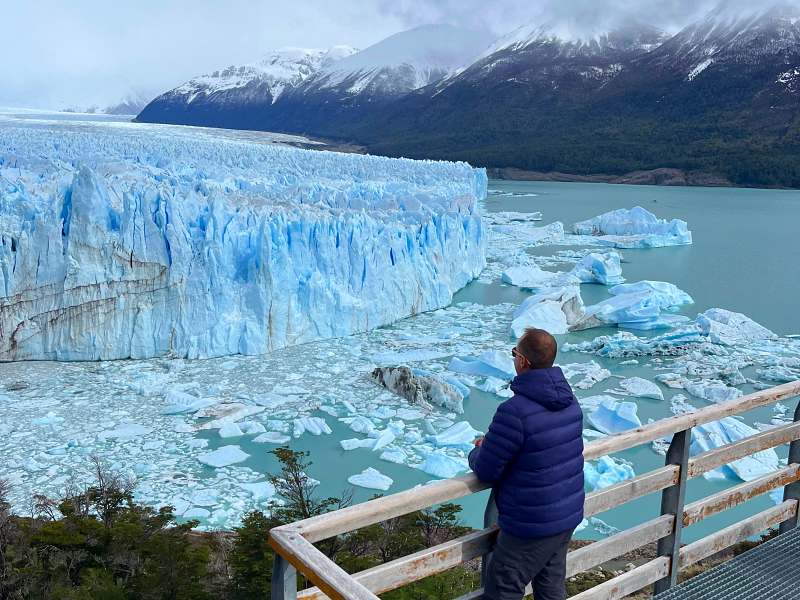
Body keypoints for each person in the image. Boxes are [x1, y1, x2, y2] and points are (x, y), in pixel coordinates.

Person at [469, 328, 584, 600]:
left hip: (530, 523)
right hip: (565, 516)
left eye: (514, 353)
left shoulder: (514, 412)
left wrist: (478, 450)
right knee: (550, 588)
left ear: (523, 362)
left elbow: (487, 469)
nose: (513, 359)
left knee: (503, 588)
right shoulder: (570, 403)